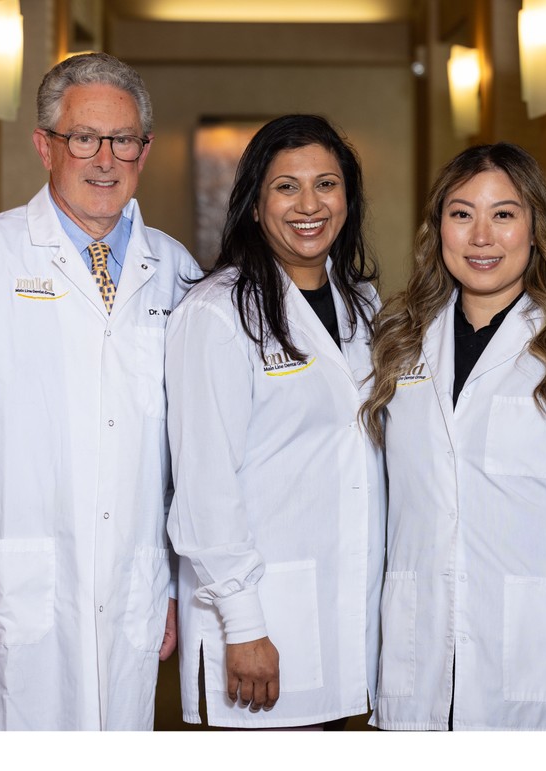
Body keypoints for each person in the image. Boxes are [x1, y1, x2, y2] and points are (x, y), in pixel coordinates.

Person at [0, 53, 200, 730]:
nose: (105, 159)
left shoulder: (177, 273)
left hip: (130, 596)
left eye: (124, 140)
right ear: (45, 146)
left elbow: (187, 450)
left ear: (145, 149)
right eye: (84, 138)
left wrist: (171, 584)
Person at [361, 142, 546, 731]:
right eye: (461, 213)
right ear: (438, 227)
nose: (481, 236)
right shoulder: (400, 338)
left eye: (504, 214)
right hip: (421, 650)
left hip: (544, 648)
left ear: (535, 227)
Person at [164, 114, 386, 728]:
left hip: (350, 614)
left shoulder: (363, 306)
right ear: (255, 207)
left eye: (327, 184)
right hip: (261, 622)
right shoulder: (216, 314)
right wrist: (245, 624)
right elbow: (205, 486)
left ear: (348, 198)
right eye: (286, 187)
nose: (309, 204)